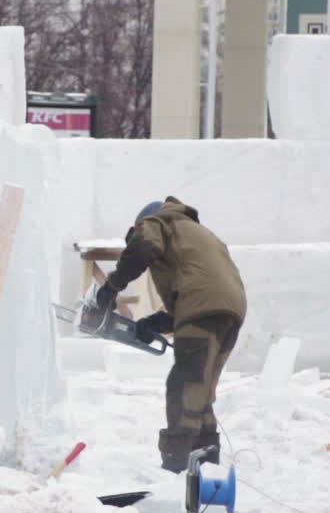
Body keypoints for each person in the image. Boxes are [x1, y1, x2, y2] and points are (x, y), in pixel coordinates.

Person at [89, 196, 247, 474]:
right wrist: (152, 323)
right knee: (200, 391)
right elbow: (195, 290)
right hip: (230, 311)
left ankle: (176, 466)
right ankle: (208, 472)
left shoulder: (159, 221)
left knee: (183, 387)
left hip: (203, 308)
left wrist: (112, 286)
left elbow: (145, 245)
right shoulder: (196, 235)